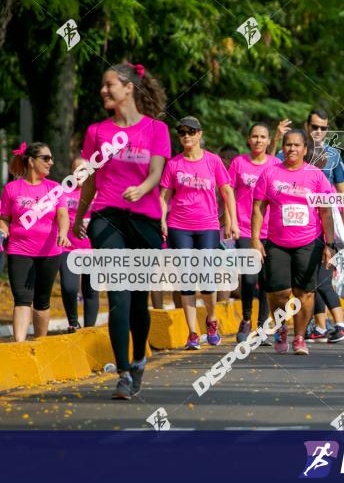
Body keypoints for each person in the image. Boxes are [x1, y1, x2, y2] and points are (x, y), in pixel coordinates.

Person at [73, 62, 170, 400]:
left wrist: (144, 187)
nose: (103, 90)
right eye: (102, 85)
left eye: (109, 84)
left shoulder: (156, 129)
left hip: (143, 220)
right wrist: (80, 216)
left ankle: (140, 356)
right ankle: (124, 373)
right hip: (107, 218)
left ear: (128, 87)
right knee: (118, 296)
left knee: (138, 303)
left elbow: (157, 171)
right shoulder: (96, 132)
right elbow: (91, 181)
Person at [252, 128, 337, 354]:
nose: (292, 148)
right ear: (283, 148)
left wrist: (330, 244)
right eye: (288, 144)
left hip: (308, 242)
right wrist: (255, 240)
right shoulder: (270, 174)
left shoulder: (316, 176)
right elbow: (258, 209)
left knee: (305, 292)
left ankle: (299, 337)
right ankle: (281, 328)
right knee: (278, 292)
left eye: (297, 145)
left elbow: (326, 213)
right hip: (277, 242)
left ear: (305, 149)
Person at [272, 109, 344, 343]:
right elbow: (267, 168)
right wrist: (277, 138)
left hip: (324, 222)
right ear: (307, 126)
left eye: (323, 128)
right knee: (308, 276)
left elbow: (342, 189)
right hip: (293, 225)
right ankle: (318, 325)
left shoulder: (333, 155)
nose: (318, 131)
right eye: (315, 126)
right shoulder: (290, 150)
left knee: (317, 274)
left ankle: (339, 323)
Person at [160, 116, 238, 350]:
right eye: (182, 132)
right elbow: (164, 196)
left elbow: (227, 192)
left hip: (207, 225)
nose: (186, 136)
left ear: (200, 134)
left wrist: (232, 222)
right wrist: (162, 220)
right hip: (179, 225)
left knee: (206, 277)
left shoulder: (213, 162)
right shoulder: (173, 164)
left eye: (191, 132)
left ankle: (211, 319)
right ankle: (193, 333)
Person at [0, 142, 70, 342]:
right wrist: (3, 230)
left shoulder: (55, 189)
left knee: (42, 301)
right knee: (22, 299)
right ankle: (20, 346)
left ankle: (40, 345)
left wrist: (63, 233)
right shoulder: (12, 188)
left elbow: (63, 215)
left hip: (49, 252)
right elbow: (5, 217)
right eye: (46, 158)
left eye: (51, 158)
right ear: (31, 161)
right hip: (19, 250)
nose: (51, 162)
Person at [228, 122, 277, 342]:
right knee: (249, 278)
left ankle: (263, 325)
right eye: (255, 136)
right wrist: (230, 221)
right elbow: (227, 192)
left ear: (268, 141)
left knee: (267, 280)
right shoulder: (239, 163)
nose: (258, 140)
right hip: (245, 227)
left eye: (263, 137)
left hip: (272, 231)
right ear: (249, 139)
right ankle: (246, 319)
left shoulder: (275, 164)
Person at [60, 156, 98, 332]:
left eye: (83, 169)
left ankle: (89, 329)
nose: (79, 173)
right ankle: (73, 323)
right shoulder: (62, 193)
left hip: (93, 248)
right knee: (69, 288)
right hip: (68, 247)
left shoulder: (97, 193)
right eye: (76, 169)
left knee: (90, 290)